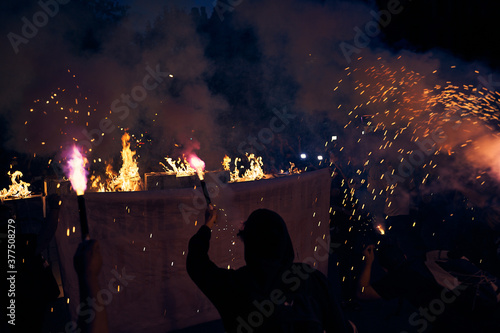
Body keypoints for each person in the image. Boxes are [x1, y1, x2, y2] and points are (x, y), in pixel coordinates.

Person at [187, 205, 355, 333]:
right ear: (284, 241)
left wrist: (207, 225)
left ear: (249, 244)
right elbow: (340, 327)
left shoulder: (233, 285)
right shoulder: (311, 279)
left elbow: (196, 263)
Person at [356, 243, 500, 332]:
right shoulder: (422, 262)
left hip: (456, 323)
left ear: (384, 269)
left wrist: (368, 262)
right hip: (478, 310)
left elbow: (362, 293)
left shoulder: (398, 278)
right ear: (404, 256)